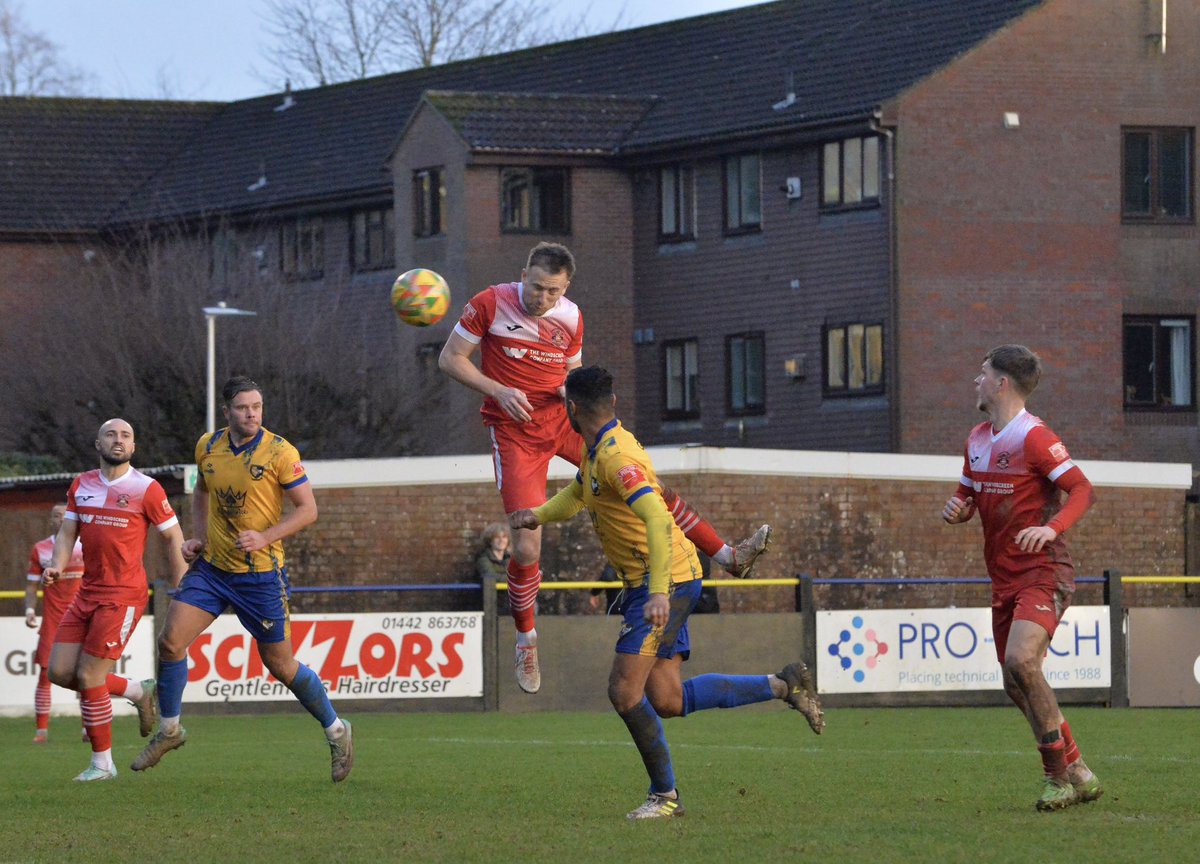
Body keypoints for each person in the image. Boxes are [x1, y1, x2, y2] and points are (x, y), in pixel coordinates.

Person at [439, 241, 771, 694]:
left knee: (647, 485)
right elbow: (450, 358)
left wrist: (566, 392)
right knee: (527, 548)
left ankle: (728, 555)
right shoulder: (489, 303)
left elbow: (573, 377)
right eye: (537, 287)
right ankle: (526, 637)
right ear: (523, 274)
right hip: (516, 434)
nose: (543, 298)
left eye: (553, 291)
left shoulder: (571, 317)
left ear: (566, 288)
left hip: (566, 423)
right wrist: (497, 390)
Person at [510, 366, 823, 820]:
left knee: (624, 692)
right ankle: (783, 684)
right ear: (612, 403)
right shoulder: (600, 451)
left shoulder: (616, 457)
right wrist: (537, 515)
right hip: (668, 578)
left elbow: (657, 518)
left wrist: (658, 593)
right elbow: (577, 495)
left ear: (571, 410)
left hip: (663, 583)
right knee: (668, 700)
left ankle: (664, 796)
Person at [133, 376, 354, 782]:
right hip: (213, 569)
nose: (251, 414)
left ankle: (337, 731)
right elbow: (202, 492)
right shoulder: (208, 446)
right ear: (227, 411)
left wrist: (266, 536)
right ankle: (170, 730)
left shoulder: (280, 452)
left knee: (281, 665)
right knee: (170, 641)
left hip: (260, 575)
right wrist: (198, 537)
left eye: (257, 406)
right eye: (243, 408)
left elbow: (308, 510)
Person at [941, 344, 1102, 812]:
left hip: (1043, 571)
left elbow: (1081, 489)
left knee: (1022, 661)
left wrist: (1052, 527)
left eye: (982, 373)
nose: (976, 380)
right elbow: (967, 496)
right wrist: (958, 509)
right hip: (1004, 578)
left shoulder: (1034, 437)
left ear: (1002, 383)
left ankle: (1057, 779)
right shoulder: (976, 438)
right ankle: (1078, 769)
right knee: (1015, 682)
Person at [43, 419, 186, 781]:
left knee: (90, 675)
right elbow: (67, 533)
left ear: (133, 447)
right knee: (59, 671)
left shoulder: (146, 488)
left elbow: (173, 537)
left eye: (126, 436)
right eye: (111, 434)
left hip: (122, 595)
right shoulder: (82, 484)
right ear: (98, 443)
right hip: (87, 592)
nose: (118, 440)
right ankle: (137, 690)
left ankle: (103, 765)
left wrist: (182, 584)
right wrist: (57, 565)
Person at [25, 503, 86, 743]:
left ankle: (88, 729)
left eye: (64, 515)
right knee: (44, 673)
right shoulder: (41, 549)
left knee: (87, 674)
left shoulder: (86, 545)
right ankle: (41, 731)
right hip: (53, 621)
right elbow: (31, 586)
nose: (61, 519)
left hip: (82, 618)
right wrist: (30, 610)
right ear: (51, 520)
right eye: (56, 515)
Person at [475, 521, 511, 614]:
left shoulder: (510, 558)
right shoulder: (483, 558)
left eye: (504, 537)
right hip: (490, 604)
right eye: (497, 537)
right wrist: (515, 579)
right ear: (490, 541)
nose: (501, 540)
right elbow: (490, 576)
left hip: (509, 602)